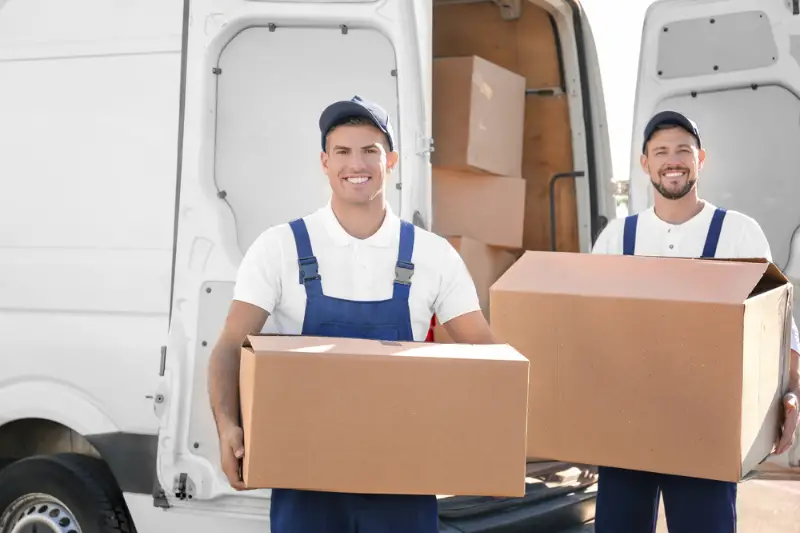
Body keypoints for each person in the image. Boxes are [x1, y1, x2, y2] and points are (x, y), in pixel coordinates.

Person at [206, 95, 496, 533]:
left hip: (404, 476)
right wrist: (228, 426)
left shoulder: (431, 254)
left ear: (391, 160)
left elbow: (484, 352)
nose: (355, 163)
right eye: (342, 151)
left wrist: (494, 434)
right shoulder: (280, 247)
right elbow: (229, 345)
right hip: (303, 476)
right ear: (324, 162)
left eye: (369, 150)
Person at [591, 110, 800, 533]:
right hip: (626, 421)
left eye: (683, 151)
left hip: (707, 422)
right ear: (644, 163)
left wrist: (792, 392)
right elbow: (589, 327)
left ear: (700, 160)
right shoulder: (617, 238)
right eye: (661, 151)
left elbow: (776, 322)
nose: (673, 160)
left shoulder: (738, 233)